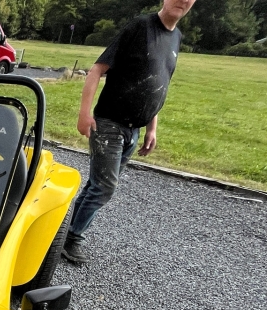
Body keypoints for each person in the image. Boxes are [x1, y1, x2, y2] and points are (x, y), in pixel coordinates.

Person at [62, 0, 196, 264]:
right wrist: (84, 114)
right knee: (105, 187)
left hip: (134, 130)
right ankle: (71, 239)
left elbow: (157, 84)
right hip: (109, 123)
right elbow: (97, 69)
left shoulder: (176, 37)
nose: (182, 0)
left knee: (97, 185)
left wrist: (151, 128)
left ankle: (64, 232)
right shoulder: (140, 27)